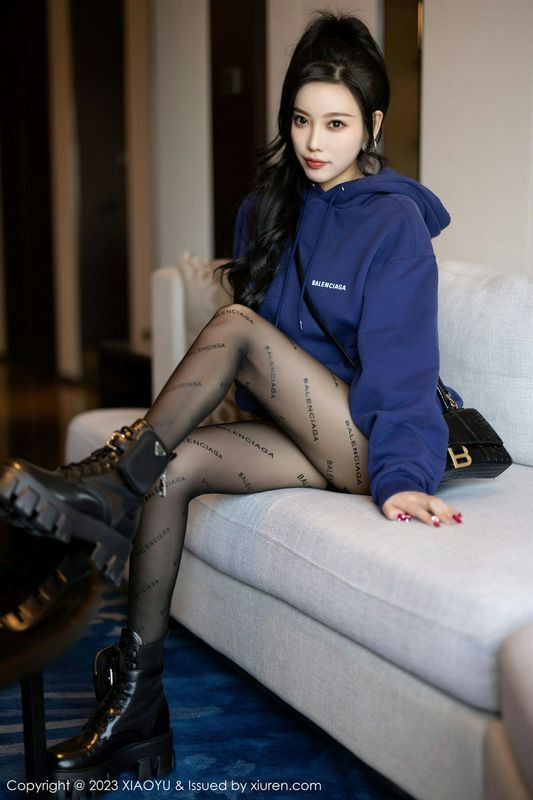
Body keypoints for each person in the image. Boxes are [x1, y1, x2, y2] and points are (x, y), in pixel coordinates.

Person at [0, 10, 463, 790]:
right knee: (174, 465)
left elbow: (404, 371)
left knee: (236, 327)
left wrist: (402, 476)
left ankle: (108, 484)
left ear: (372, 126)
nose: (313, 142)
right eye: (301, 119)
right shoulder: (267, 208)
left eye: (336, 123)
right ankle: (137, 705)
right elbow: (268, 364)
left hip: (365, 439)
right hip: (298, 431)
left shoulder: (394, 224)